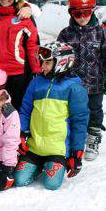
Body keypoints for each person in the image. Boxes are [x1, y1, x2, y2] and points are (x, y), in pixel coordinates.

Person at [15, 42, 89, 190]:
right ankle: (38, 163)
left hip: (57, 149)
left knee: (52, 184)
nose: (43, 66)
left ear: (62, 62)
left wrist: (77, 152)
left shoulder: (74, 88)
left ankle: (53, 162)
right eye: (42, 62)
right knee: (19, 180)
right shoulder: (35, 83)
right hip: (34, 147)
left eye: (47, 62)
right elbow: (25, 110)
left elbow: (79, 122)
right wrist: (22, 133)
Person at [57, 0, 106, 161]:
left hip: (95, 83)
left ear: (92, 11)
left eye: (86, 12)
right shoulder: (66, 34)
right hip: (72, 84)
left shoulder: (102, 33)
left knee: (94, 111)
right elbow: (60, 56)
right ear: (71, 13)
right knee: (73, 111)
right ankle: (76, 137)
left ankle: (93, 137)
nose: (82, 17)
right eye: (77, 13)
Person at [0, 0, 42, 111]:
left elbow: (32, 45)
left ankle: (17, 132)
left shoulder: (24, 19)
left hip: (17, 73)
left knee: (16, 106)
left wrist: (36, 69)